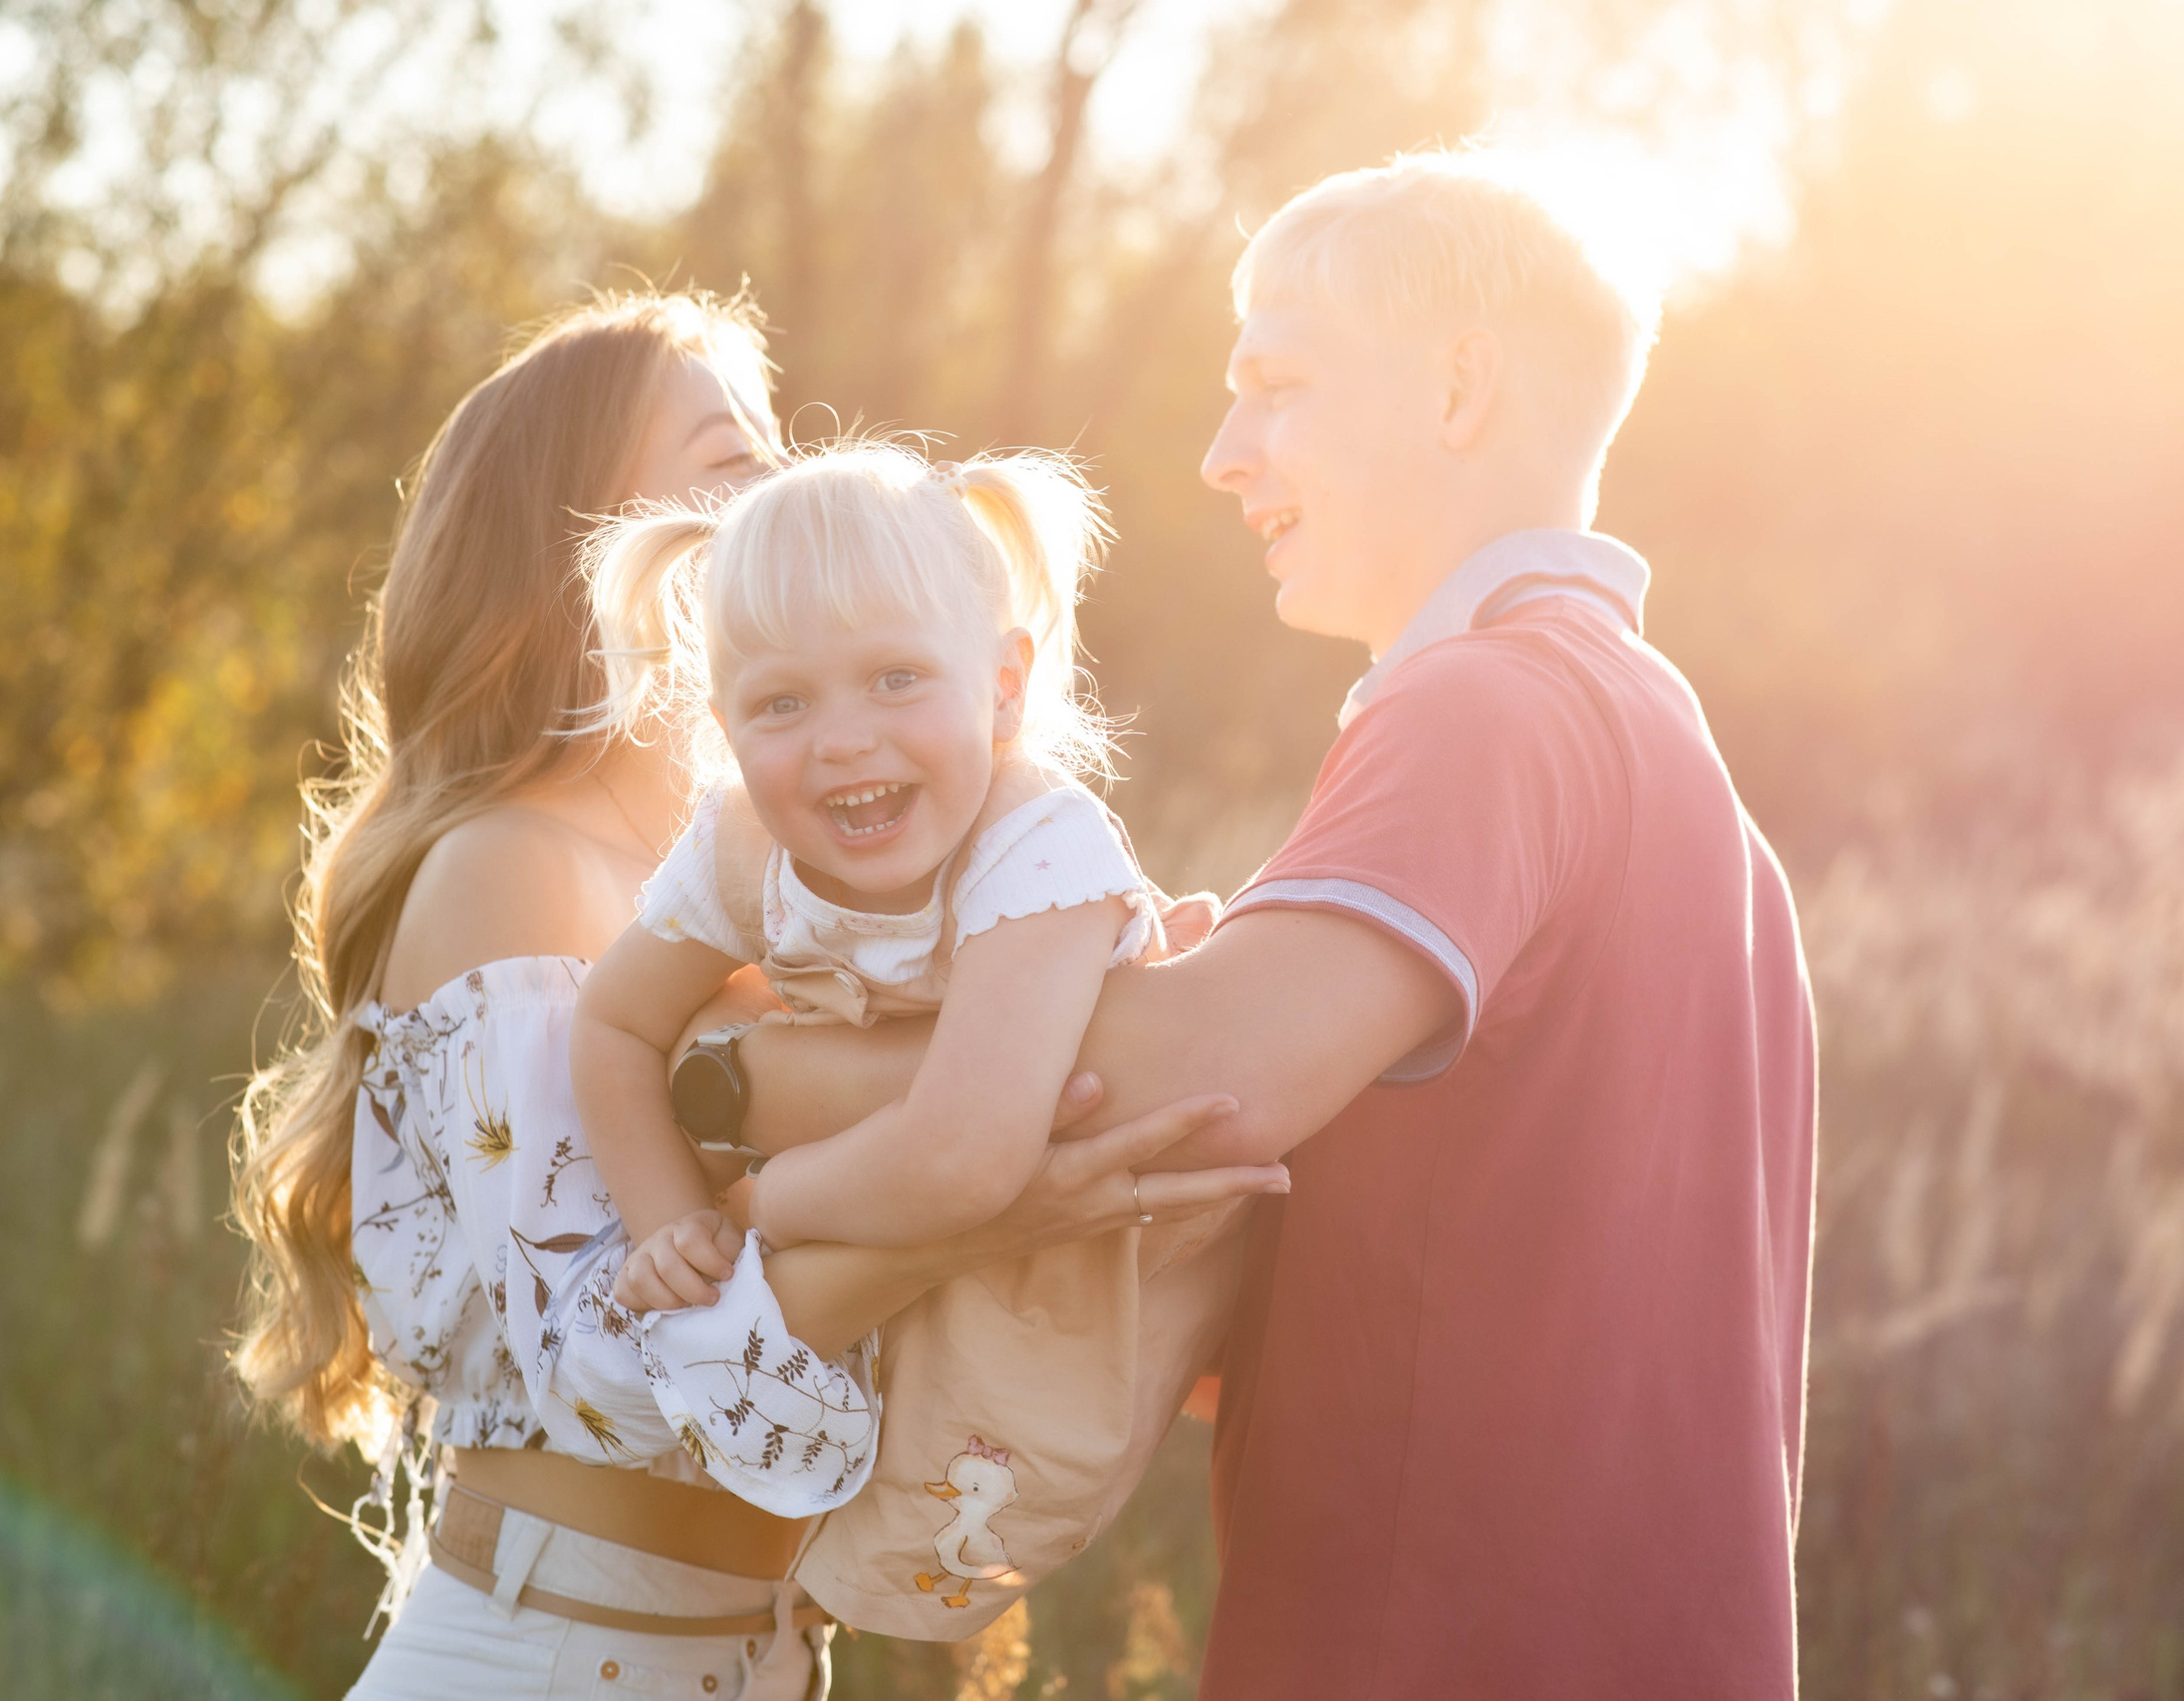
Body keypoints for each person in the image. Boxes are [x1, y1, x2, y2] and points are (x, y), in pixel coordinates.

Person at [730, 152, 1818, 1699]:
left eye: (1279, 383)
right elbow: (1396, 1279)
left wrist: (719, 1064)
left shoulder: (1486, 705)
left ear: (1460, 388)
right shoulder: (1671, 754)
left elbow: (1169, 1091)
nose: (1223, 454)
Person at [228, 291, 1280, 1700]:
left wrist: (1075, 1002)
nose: (781, 494)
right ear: (584, 546)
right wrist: (978, 1201)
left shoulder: (791, 881)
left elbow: (874, 1221)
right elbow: (607, 1368)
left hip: (753, 1655)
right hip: (552, 1653)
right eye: (731, 462)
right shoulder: (514, 864)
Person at [571, 440, 1243, 1635]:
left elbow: (968, 1157)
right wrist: (663, 1216)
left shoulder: (1038, 842)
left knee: (967, 1509)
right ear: (724, 727)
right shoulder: (740, 848)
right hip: (884, 1238)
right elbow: (616, 1022)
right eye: (783, 702)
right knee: (778, 1505)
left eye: (894, 679)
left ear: (1001, 686)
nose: (841, 740)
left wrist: (743, 1219)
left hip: (1075, 1251)